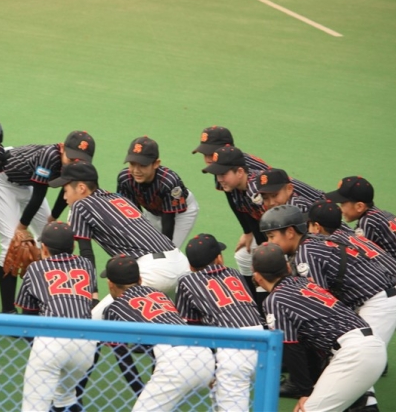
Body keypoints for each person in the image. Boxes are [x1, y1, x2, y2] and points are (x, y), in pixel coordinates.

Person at [260, 204, 396, 409]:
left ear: (290, 232)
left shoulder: (306, 253)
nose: (269, 242)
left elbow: (317, 300)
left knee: (353, 364)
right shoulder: (312, 242)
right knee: (353, 370)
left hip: (377, 303)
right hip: (380, 298)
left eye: (272, 236)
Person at [252, 243, 387, 412]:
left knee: (306, 409)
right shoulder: (305, 283)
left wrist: (305, 391)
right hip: (371, 346)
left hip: (352, 354)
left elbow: (291, 348)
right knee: (360, 407)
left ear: (257, 277)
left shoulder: (275, 300)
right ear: (288, 267)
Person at [49, 161, 190, 316]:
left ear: (81, 188)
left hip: (153, 271)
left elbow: (86, 253)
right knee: (172, 321)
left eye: (65, 190)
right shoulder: (117, 198)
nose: (64, 196)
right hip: (181, 264)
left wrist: (93, 295)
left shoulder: (81, 205)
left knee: (93, 322)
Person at [0, 130, 96, 314]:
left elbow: (66, 191)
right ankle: (8, 311)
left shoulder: (77, 166)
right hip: (3, 181)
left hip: (28, 183)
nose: (74, 163)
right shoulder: (49, 156)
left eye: (79, 160)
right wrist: (21, 228)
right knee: (12, 243)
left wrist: (52, 218)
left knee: (50, 237)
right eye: (71, 158)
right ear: (62, 148)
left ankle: (48, 297)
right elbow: (38, 196)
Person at [101, 255, 215, 411]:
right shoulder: (159, 294)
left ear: (110, 284)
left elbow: (123, 358)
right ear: (140, 279)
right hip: (205, 356)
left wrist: (140, 392)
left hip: (175, 363)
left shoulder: (113, 310)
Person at [307, 199, 396, 370]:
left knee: (361, 353)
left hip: (395, 296)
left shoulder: (327, 246)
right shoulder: (351, 235)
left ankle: (368, 383)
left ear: (317, 227)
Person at [175, 234, 263, 411]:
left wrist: (209, 364)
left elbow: (191, 328)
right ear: (219, 258)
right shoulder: (234, 273)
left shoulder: (187, 281)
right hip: (263, 342)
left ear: (190, 266)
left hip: (233, 350)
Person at [15, 221, 96, 412]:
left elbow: (28, 317)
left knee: (34, 406)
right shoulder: (87, 265)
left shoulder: (35, 269)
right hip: (85, 344)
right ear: (73, 245)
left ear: (44, 248)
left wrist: (40, 347)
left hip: (51, 341)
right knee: (65, 397)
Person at [191, 126, 270, 287]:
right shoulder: (221, 167)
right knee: (243, 255)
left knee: (265, 264)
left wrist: (263, 248)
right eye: (204, 154)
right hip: (261, 221)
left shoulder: (249, 173)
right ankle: (254, 294)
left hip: (281, 224)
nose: (207, 159)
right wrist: (248, 232)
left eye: (210, 153)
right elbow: (235, 200)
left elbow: (267, 214)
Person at [201, 146, 267, 305]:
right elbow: (251, 215)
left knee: (264, 268)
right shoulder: (236, 187)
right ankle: (253, 299)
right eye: (217, 175)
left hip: (298, 231)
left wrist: (263, 252)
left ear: (239, 172)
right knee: (243, 255)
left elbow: (276, 223)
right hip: (272, 232)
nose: (219, 179)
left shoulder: (256, 190)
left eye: (223, 174)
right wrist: (249, 232)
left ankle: (262, 305)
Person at [117, 136, 199, 248]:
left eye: (142, 165)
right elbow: (132, 213)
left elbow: (168, 221)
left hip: (179, 213)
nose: (136, 170)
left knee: (169, 249)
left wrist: (165, 248)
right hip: (153, 210)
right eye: (132, 164)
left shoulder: (169, 182)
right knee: (145, 246)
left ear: (156, 163)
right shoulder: (125, 179)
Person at [251, 168, 325, 211]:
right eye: (265, 198)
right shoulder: (280, 210)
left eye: (274, 195)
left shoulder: (296, 207)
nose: (271, 203)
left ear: (289, 189)